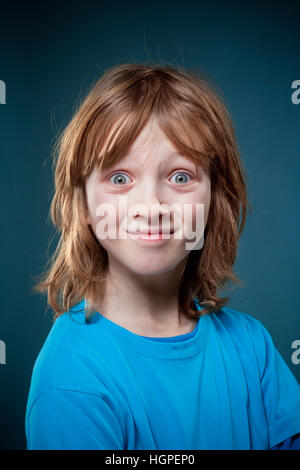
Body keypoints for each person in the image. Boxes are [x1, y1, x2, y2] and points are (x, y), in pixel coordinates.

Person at [25, 63, 300, 450]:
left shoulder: (251, 348)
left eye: (181, 177)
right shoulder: (71, 378)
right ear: (83, 204)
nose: (152, 206)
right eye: (119, 178)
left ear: (213, 200)